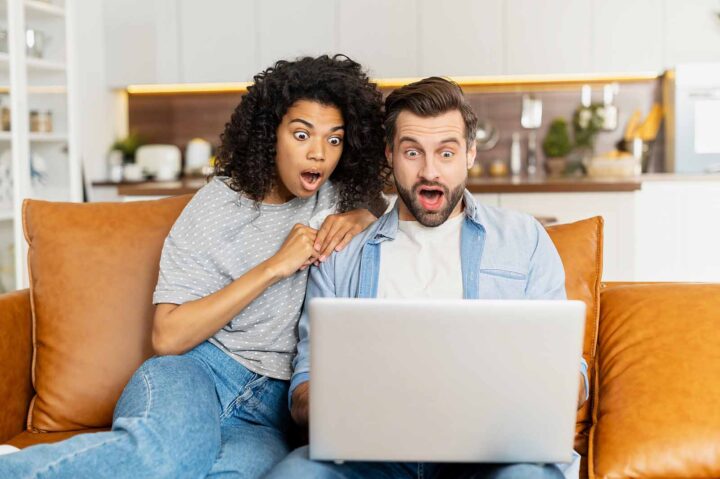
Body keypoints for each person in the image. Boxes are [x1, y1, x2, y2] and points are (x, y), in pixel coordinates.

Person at [0, 55, 389, 479]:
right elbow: (168, 336)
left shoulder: (339, 200)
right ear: (270, 135)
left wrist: (365, 217)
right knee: (162, 457)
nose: (319, 153)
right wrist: (275, 265)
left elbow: (399, 215)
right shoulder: (217, 205)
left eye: (335, 140)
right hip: (195, 373)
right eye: (301, 134)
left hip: (268, 412)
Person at [267, 77, 589, 479]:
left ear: (470, 154)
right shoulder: (339, 254)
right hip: (371, 458)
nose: (429, 171)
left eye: (447, 152)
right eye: (412, 152)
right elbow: (302, 394)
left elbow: (569, 377)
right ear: (390, 155)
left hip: (491, 456)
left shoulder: (524, 240)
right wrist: (359, 403)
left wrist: (529, 396)